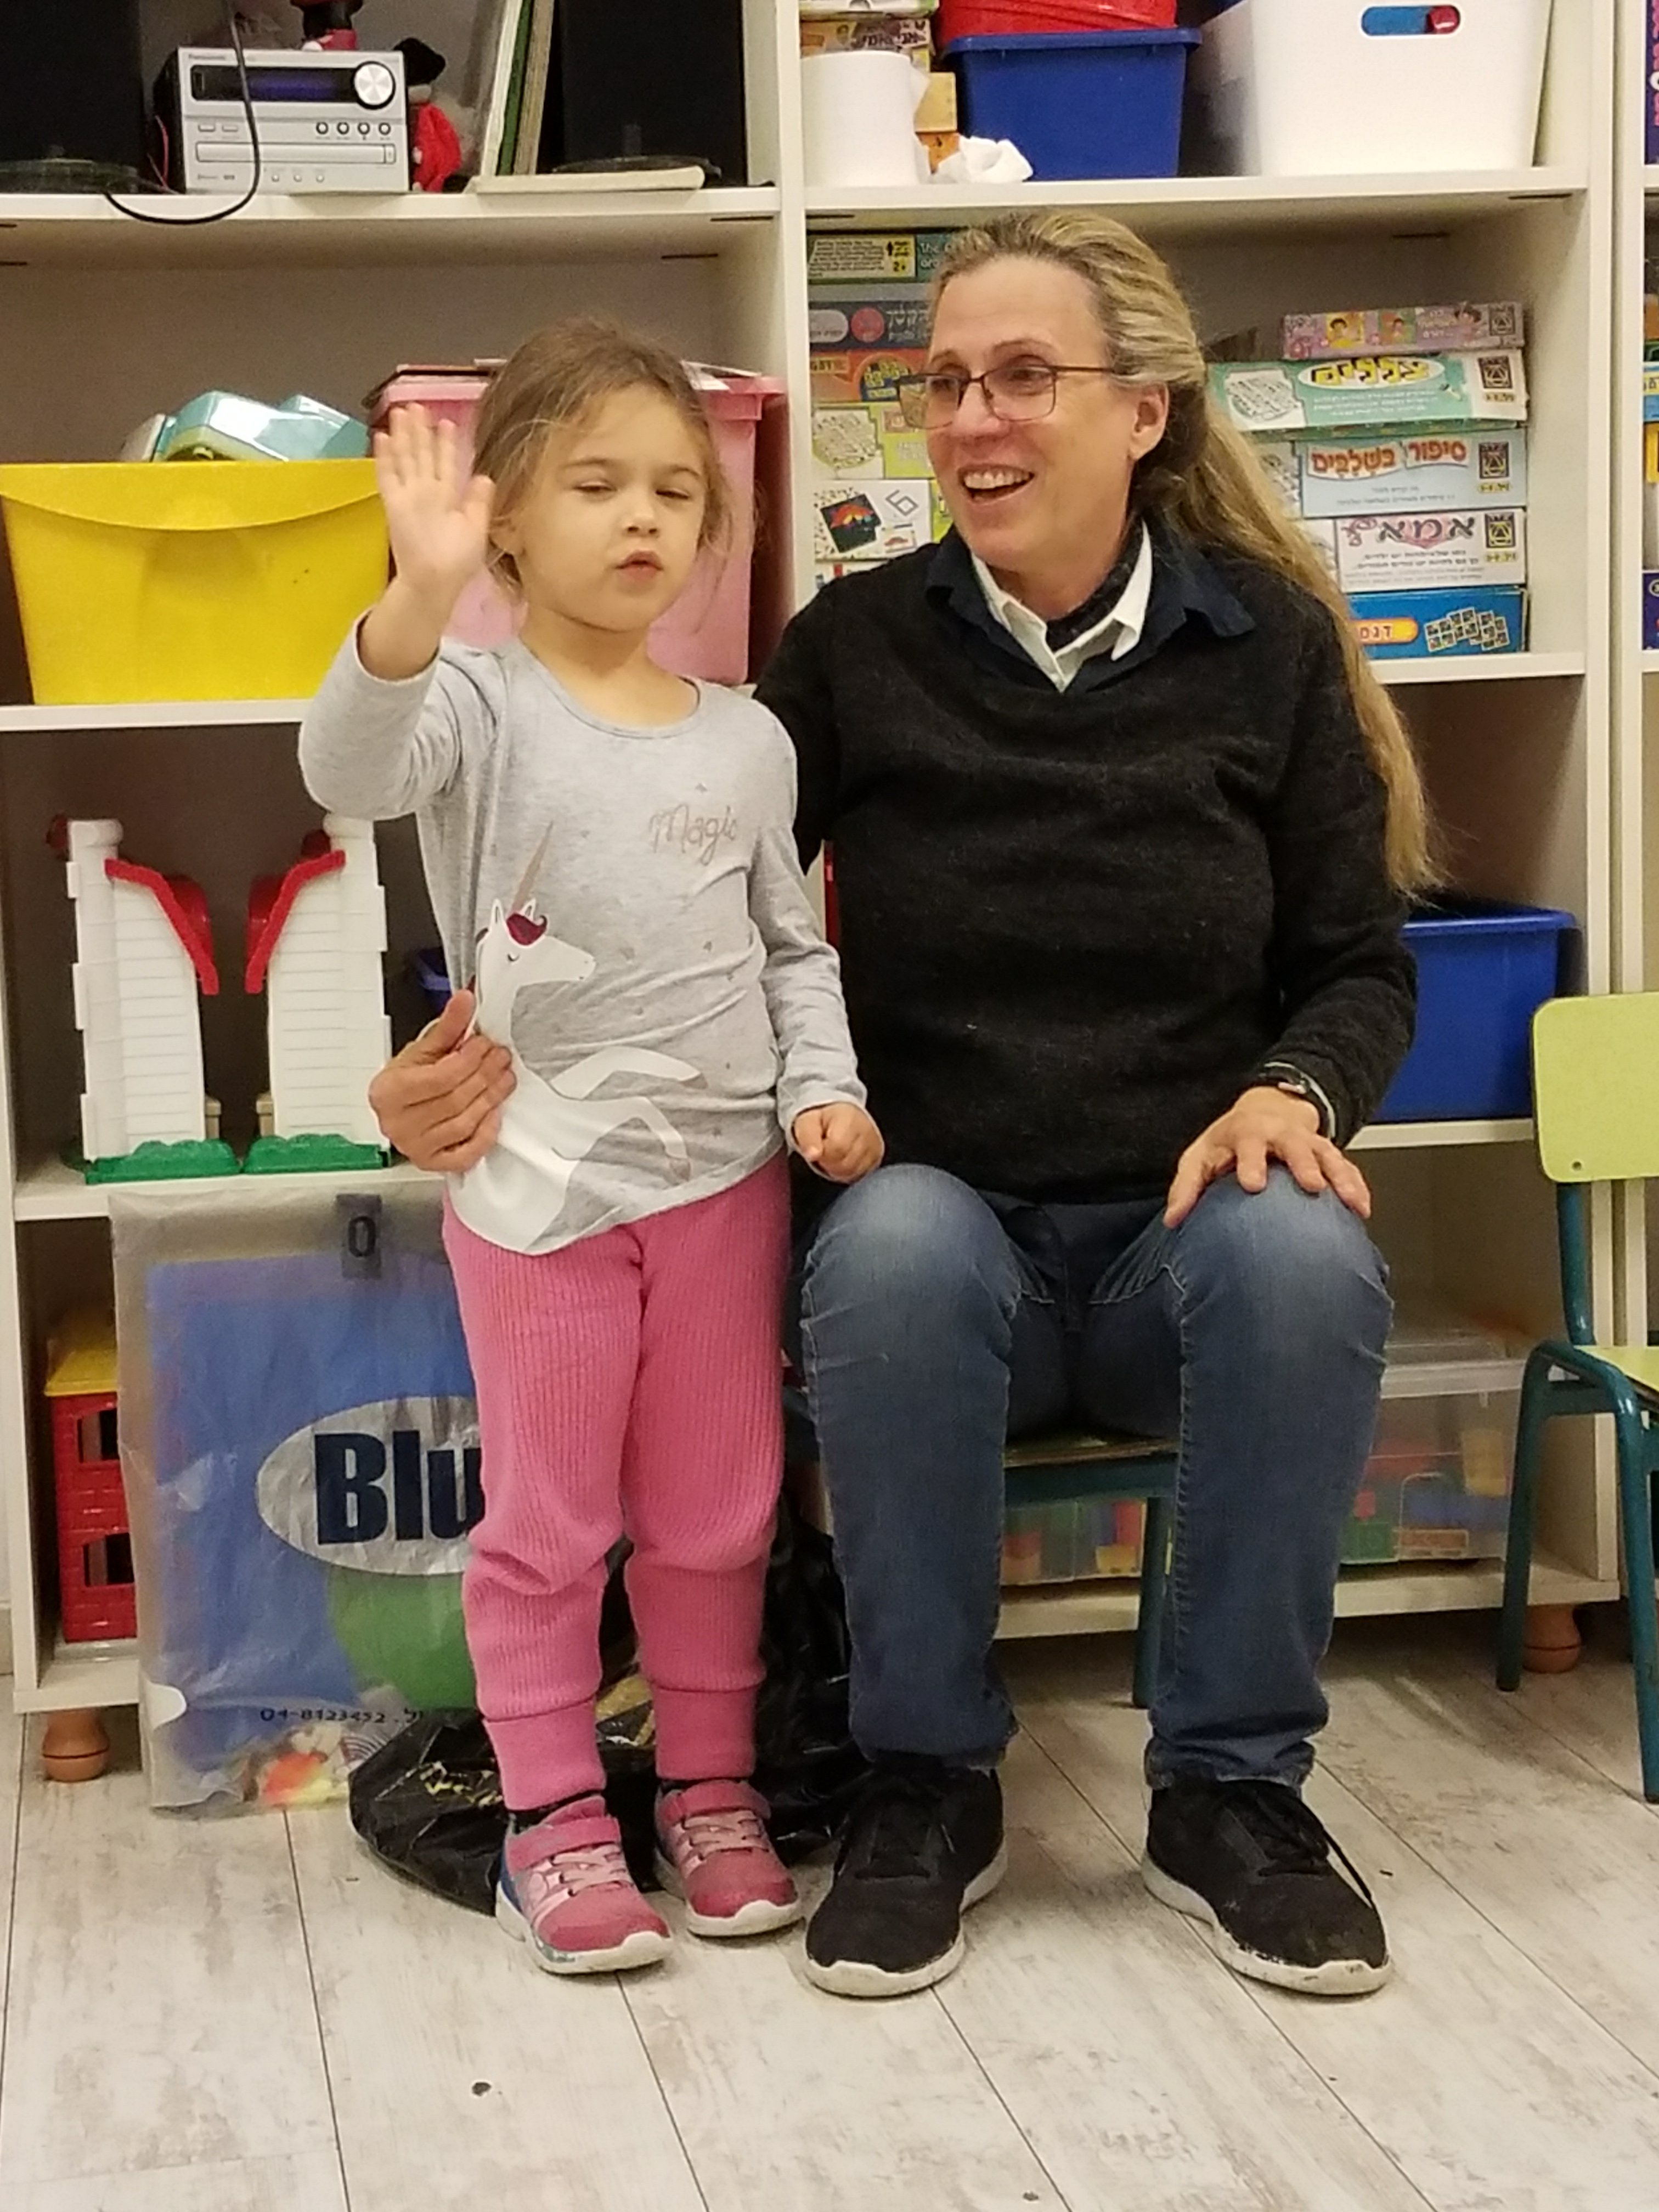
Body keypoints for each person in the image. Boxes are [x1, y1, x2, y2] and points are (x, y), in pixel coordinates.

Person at [366, 212, 1427, 2003]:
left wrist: (1294, 1089)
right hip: (940, 1251)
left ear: (1146, 411)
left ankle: (1232, 1794)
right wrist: (431, 1049)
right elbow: (633, 878)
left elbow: (1362, 962)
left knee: (1307, 1254)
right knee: (897, 1244)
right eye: (943, 382)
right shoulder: (855, 650)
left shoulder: (1275, 653)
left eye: (1023, 377)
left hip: (1178, 1245)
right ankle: (926, 1782)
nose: (970, 420)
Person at [299, 320, 882, 1978]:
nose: (643, 517)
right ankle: (552, 1820)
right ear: (505, 518)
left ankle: (710, 1794)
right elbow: (344, 763)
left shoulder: (748, 737)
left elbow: (791, 948)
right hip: (537, 1187)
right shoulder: (470, 706)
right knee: (549, 1521)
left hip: (723, 1187)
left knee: (718, 1514)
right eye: (597, 483)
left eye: (677, 491)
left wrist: (820, 1089)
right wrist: (414, 598)